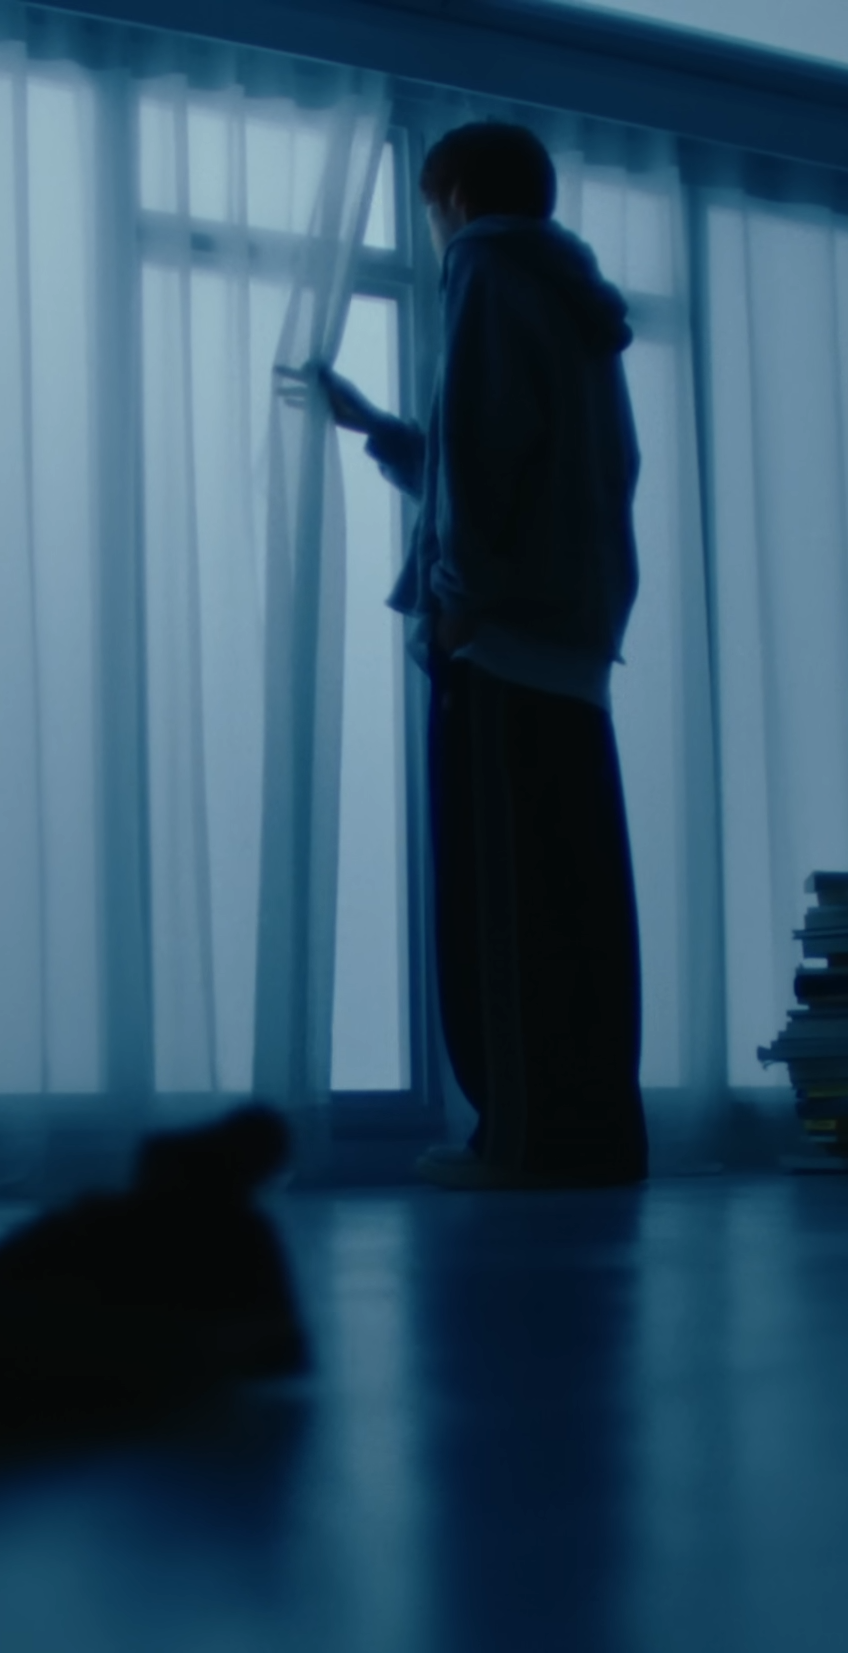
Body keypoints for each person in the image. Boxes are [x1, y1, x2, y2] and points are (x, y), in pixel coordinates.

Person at [316, 122, 648, 1191]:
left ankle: (519, 1140)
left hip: (501, 644)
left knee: (499, 910)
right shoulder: (570, 292)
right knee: (575, 904)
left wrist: (459, 601)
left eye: (429, 207)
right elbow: (551, 468)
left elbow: (486, 453)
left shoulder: (486, 268)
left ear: (453, 195)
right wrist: (386, 433)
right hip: (572, 640)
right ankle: (593, 1136)